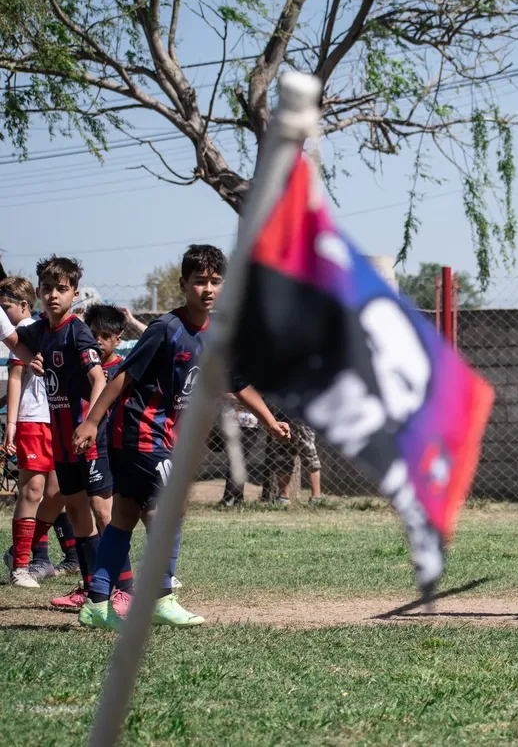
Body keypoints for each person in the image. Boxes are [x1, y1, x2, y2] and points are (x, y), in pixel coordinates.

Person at [72, 244, 290, 630]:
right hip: (140, 431)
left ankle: (97, 603)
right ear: (183, 284)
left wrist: (270, 421)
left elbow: (237, 383)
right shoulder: (166, 329)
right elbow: (123, 376)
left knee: (124, 516)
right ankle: (161, 598)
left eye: (216, 281)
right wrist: (91, 422)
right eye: (199, 281)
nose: (208, 289)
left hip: (156, 436)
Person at [6, 257, 117, 613]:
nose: (53, 295)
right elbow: (14, 341)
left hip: (87, 437)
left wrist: (91, 424)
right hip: (62, 440)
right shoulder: (40, 330)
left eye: (61, 289)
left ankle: (120, 586)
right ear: (38, 292)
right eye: (47, 288)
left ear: (75, 293)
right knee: (78, 512)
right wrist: (30, 358)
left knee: (102, 512)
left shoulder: (77, 331)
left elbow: (99, 380)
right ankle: (92, 586)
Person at [1, 276, 61, 587]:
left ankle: (18, 552)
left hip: (57, 418)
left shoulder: (42, 327)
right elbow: (15, 378)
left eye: (6, 307)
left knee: (57, 493)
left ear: (24, 304)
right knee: (32, 490)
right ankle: (21, 566)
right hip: (33, 419)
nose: (3, 314)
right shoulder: (24, 332)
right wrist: (11, 425)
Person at [260, 413, 323, 506]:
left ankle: (316, 498)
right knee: (284, 461)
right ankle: (283, 498)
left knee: (312, 460)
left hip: (304, 424)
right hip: (283, 422)